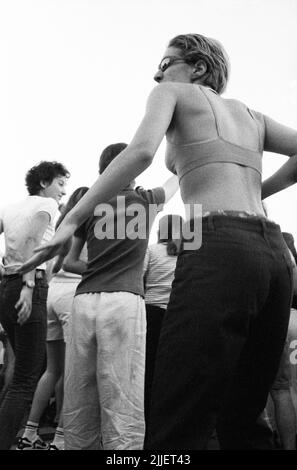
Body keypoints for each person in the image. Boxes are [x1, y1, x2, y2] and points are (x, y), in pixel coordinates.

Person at [18, 34, 297, 450]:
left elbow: (141, 152)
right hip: (274, 255)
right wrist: (259, 194)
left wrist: (73, 215)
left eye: (165, 63)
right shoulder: (252, 116)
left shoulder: (170, 93)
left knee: (178, 409)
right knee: (245, 414)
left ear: (197, 67)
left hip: (220, 248)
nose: (157, 72)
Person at [58, 143, 178, 450]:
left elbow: (69, 262)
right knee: (123, 393)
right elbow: (176, 179)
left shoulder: (89, 205)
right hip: (124, 300)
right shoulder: (145, 199)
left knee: (80, 391)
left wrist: (99, 265)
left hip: (84, 300)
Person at [0, 161, 69, 450]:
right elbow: (32, 242)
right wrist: (29, 286)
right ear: (44, 183)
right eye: (60, 184)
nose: (63, 192)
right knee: (26, 378)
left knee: (18, 374)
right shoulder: (47, 206)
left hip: (6, 286)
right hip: (29, 284)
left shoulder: (10, 207)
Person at [17, 186, 88, 450]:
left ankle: (29, 432)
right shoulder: (90, 225)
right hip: (74, 292)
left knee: (52, 369)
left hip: (53, 293)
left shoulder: (62, 226)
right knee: (72, 372)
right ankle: (60, 437)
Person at [143, 214, 183, 424]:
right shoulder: (189, 253)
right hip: (179, 314)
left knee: (149, 368)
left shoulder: (151, 250)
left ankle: (148, 418)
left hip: (152, 313)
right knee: (175, 368)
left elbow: (140, 278)